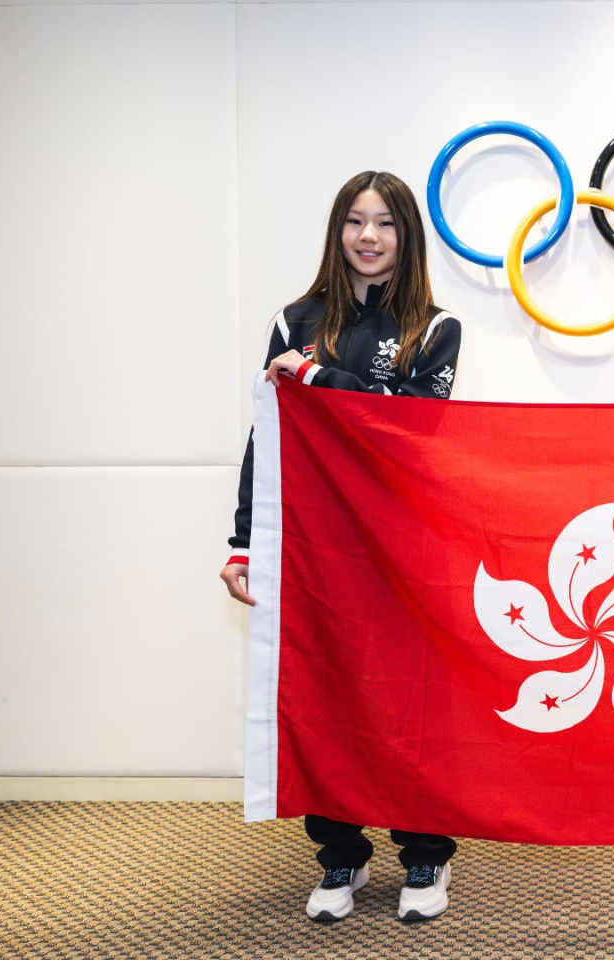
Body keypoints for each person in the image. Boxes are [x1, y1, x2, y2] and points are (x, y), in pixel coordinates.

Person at [220, 171, 463, 923]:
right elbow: (270, 432)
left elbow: (414, 425)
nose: (368, 236)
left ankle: (425, 855)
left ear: (406, 236)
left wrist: (323, 376)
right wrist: (241, 542)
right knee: (324, 696)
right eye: (355, 221)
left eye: (385, 223)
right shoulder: (294, 320)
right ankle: (340, 857)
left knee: (406, 702)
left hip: (402, 546)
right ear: (338, 230)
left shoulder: (437, 325)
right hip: (315, 551)